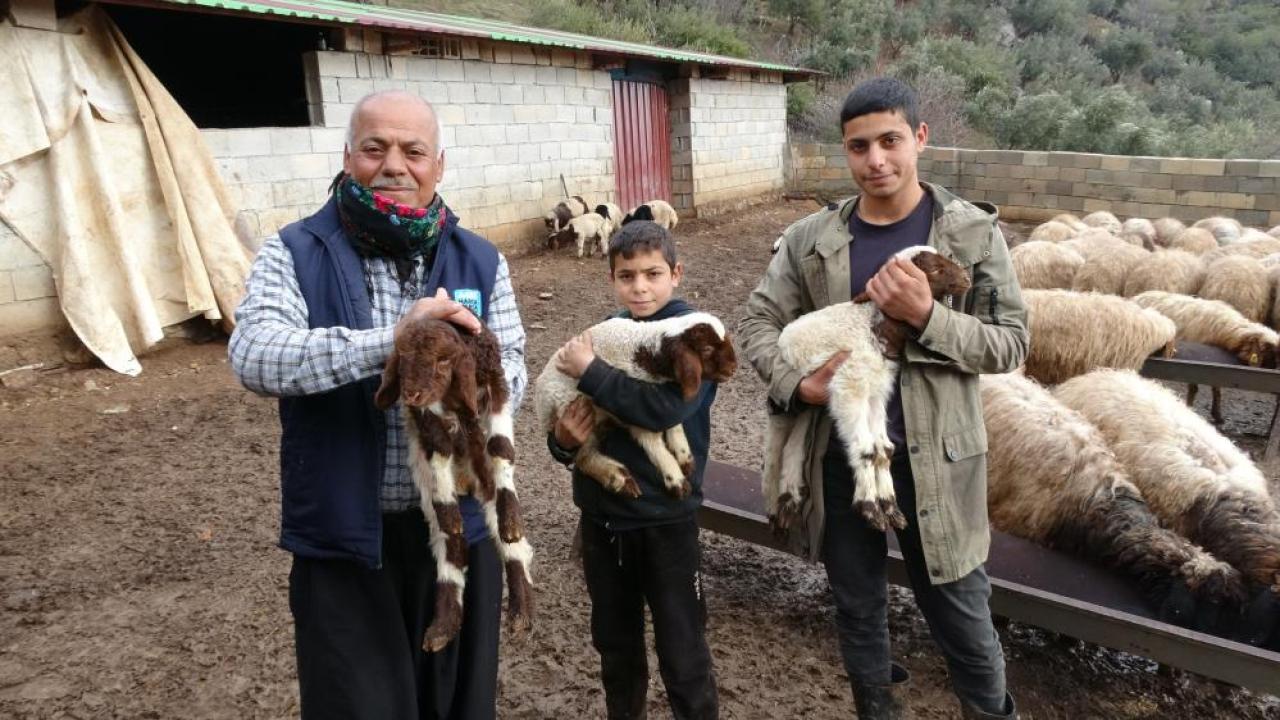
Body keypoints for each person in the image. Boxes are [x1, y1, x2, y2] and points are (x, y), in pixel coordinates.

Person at [228, 89, 527, 720]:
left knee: (459, 708)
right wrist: (396, 342)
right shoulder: (296, 251)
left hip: (458, 539)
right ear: (347, 156)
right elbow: (255, 354)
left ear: (438, 165)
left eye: (413, 151)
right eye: (375, 147)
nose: (394, 165)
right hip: (345, 544)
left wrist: (465, 385)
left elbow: (516, 371)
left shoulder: (480, 258)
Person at [737, 77, 1028, 720]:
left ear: (919, 139)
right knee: (858, 606)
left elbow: (1010, 346)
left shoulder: (971, 234)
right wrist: (798, 385)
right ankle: (876, 708)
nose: (876, 161)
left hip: (938, 464)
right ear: (845, 151)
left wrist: (929, 317)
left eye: (890, 141)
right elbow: (756, 323)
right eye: (858, 146)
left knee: (960, 612)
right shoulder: (813, 237)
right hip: (842, 457)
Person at [548, 220, 720, 720]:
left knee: (683, 649)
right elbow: (567, 410)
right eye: (627, 276)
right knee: (616, 647)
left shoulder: (697, 337)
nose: (640, 287)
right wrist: (562, 443)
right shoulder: (608, 335)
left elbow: (663, 410)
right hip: (603, 520)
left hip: (666, 519)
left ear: (676, 274)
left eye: (652, 274)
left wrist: (592, 372)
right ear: (612, 278)